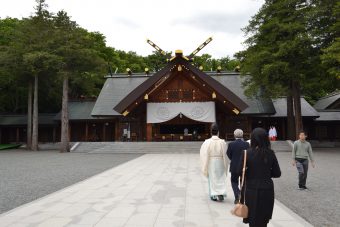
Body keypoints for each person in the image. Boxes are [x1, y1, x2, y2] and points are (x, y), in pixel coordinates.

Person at [238, 127, 281, 227]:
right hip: (267, 188)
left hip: (251, 188)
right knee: (263, 218)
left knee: (252, 217)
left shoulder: (247, 153)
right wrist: (266, 173)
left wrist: (250, 173)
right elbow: (277, 173)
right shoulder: (270, 153)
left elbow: (238, 171)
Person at [200, 123, 228, 201]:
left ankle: (214, 195)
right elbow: (225, 153)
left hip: (211, 162)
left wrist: (205, 163)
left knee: (212, 178)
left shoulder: (207, 142)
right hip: (220, 161)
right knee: (221, 178)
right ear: (218, 132)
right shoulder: (222, 142)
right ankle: (221, 193)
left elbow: (203, 153)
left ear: (211, 132)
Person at [226, 129, 250, 204]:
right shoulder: (246, 144)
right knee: (243, 182)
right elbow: (248, 154)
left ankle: (237, 195)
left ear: (234, 135)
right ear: (242, 135)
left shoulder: (231, 144)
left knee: (234, 181)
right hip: (244, 166)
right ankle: (242, 197)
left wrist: (233, 159)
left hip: (234, 165)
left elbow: (228, 154)